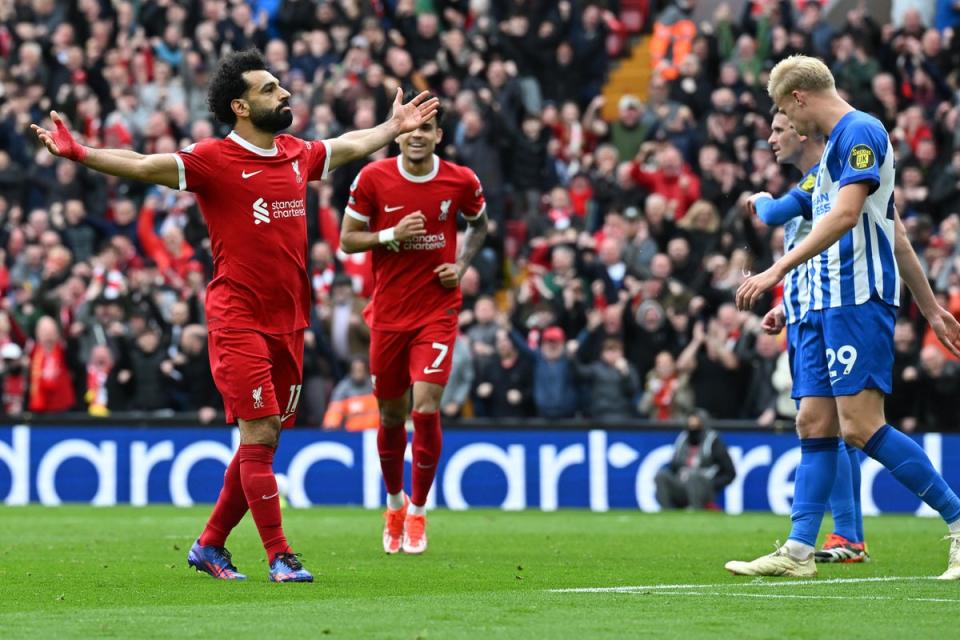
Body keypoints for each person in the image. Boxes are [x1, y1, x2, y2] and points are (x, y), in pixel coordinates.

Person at [31, 49, 438, 582]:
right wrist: (81, 153)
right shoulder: (212, 160)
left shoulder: (296, 153)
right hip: (236, 316)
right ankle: (280, 556)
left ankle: (209, 546)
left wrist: (391, 126)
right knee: (261, 430)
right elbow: (142, 163)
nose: (284, 94)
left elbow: (344, 147)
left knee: (261, 442)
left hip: (290, 323)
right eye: (270, 89)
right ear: (240, 106)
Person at [729, 55, 960, 579]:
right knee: (814, 422)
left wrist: (773, 272)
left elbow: (850, 215)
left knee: (860, 427)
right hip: (824, 303)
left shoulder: (862, 131)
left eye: (784, 115)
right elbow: (895, 231)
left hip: (857, 300)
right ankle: (798, 551)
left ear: (799, 99)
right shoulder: (834, 150)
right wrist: (932, 309)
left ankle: (958, 520)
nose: (786, 127)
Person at [339, 94, 488, 555]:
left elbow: (479, 225)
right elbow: (347, 240)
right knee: (390, 416)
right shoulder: (373, 178)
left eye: (428, 129)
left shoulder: (460, 179)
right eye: (411, 129)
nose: (418, 136)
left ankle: (419, 512)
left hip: (436, 311)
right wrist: (390, 235)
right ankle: (394, 503)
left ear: (439, 135)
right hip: (387, 314)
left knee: (425, 409)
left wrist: (461, 267)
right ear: (399, 132)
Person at [746, 111, 869, 563]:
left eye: (778, 130)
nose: (771, 138)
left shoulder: (820, 181)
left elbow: (775, 213)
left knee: (837, 428)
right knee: (826, 428)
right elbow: (808, 254)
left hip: (829, 314)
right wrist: (786, 304)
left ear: (801, 131)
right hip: (804, 311)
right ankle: (843, 537)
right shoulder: (814, 186)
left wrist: (758, 200)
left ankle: (848, 535)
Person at [654, 411, 736, 510]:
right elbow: (674, 467)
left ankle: (695, 510)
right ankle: (667, 512)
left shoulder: (712, 441)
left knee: (694, 478)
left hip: (703, 487)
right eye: (690, 425)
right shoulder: (682, 439)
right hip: (681, 484)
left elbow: (730, 473)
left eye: (696, 425)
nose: (693, 429)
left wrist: (713, 485)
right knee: (662, 476)